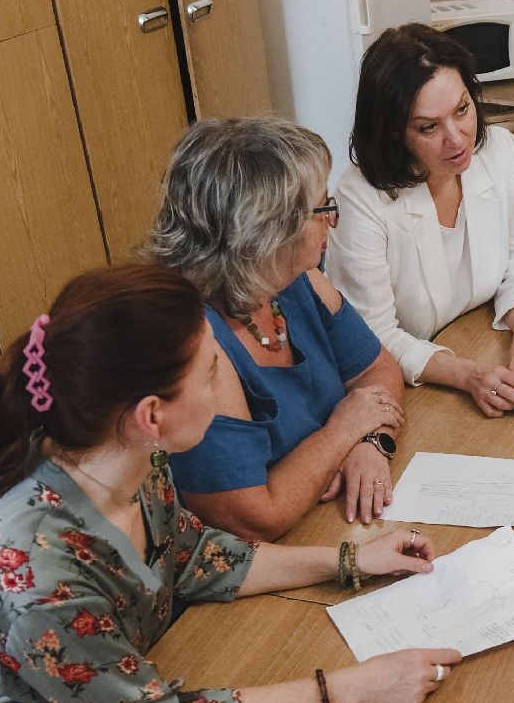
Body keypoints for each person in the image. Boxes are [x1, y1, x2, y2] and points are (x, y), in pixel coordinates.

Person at [0, 265, 459, 703]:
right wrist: (355, 687)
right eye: (212, 373)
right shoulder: (38, 573)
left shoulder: (130, 460)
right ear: (152, 414)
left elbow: (197, 557)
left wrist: (350, 558)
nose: (223, 383)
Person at [148, 117, 405, 539]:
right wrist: (343, 430)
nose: (333, 219)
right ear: (264, 231)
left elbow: (377, 372)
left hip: (324, 525)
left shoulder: (298, 280)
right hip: (250, 579)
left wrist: (370, 443)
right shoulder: (193, 339)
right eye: (321, 208)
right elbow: (254, 518)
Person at [331, 23, 514, 417]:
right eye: (429, 127)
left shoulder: (499, 151)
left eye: (463, 110)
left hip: (478, 338)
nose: (458, 139)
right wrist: (469, 376)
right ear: (392, 133)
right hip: (408, 382)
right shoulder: (361, 197)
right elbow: (371, 337)